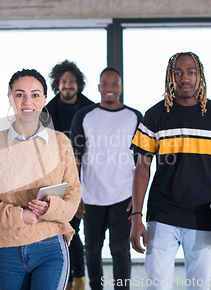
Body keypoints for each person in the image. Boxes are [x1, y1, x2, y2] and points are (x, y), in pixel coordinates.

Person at [130, 52, 211, 290]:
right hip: (163, 214)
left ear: (200, 76)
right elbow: (142, 168)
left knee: (198, 287)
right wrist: (136, 216)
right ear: (171, 77)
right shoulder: (155, 116)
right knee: (157, 286)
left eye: (191, 72)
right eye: (178, 73)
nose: (184, 78)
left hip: (204, 217)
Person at [0, 69, 81, 289]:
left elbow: (73, 194)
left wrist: (50, 208)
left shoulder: (60, 142)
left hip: (50, 244)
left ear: (43, 100)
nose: (27, 101)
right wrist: (19, 215)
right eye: (19, 94)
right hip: (7, 246)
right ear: (10, 99)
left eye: (35, 94)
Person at [70, 67, 142, 290]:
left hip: (123, 196)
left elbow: (143, 162)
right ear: (99, 87)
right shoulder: (84, 116)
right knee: (91, 249)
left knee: (120, 249)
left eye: (114, 84)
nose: (109, 88)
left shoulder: (134, 117)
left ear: (120, 87)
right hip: (91, 196)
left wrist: (137, 200)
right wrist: (76, 194)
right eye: (105, 83)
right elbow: (75, 158)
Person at [45, 60, 94, 290]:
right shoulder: (47, 111)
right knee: (64, 228)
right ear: (57, 84)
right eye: (63, 82)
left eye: (71, 82)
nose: (67, 86)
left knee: (75, 229)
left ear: (79, 84)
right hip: (56, 178)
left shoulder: (92, 109)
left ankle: (78, 278)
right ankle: (70, 278)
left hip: (87, 177)